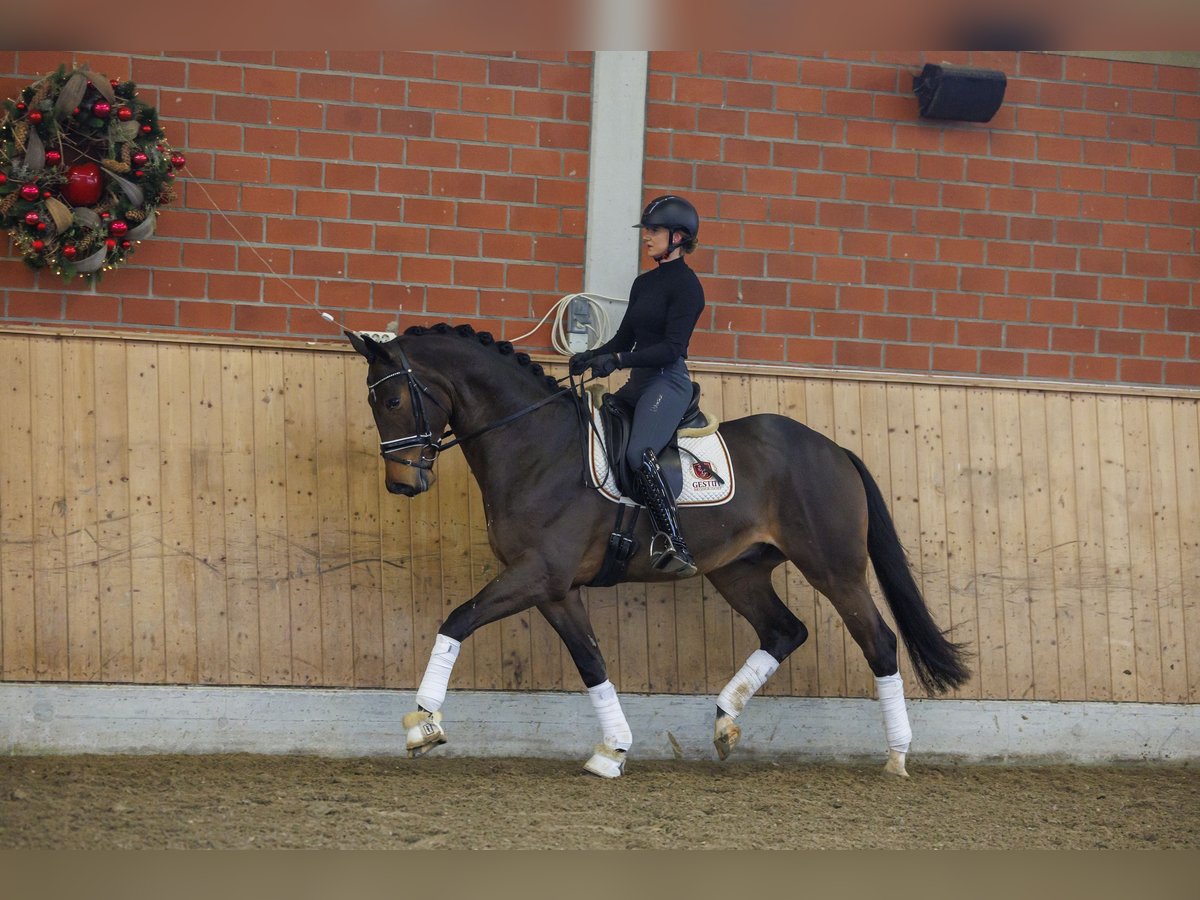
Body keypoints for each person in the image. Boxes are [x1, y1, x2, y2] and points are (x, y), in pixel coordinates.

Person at [569, 194, 706, 577]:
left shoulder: (688, 287)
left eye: (654, 231)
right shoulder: (643, 283)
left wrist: (617, 361)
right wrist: (593, 354)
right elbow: (623, 340)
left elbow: (671, 349)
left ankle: (674, 542)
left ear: (678, 237)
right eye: (646, 230)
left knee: (637, 453)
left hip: (668, 382)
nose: (646, 237)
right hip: (640, 381)